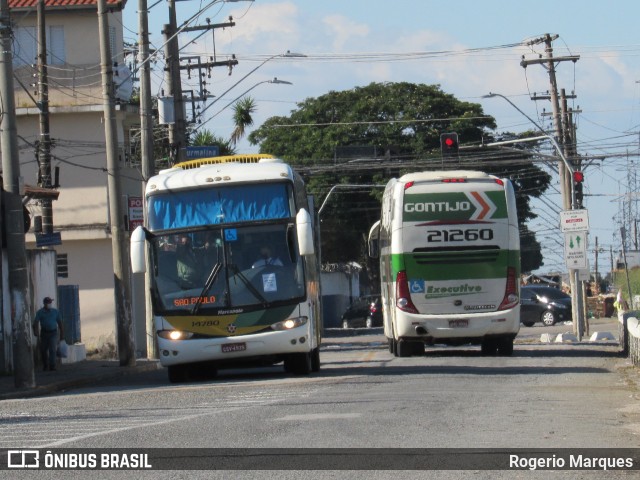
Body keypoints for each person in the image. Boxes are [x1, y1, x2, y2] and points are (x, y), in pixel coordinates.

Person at [33, 297, 64, 371]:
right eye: (48, 303)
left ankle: (52, 365)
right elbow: (36, 322)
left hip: (53, 333)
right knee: (43, 350)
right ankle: (45, 365)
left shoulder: (55, 312)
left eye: (50, 303)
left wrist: (62, 334)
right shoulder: (40, 312)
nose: (50, 304)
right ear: (44, 304)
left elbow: (60, 323)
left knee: (52, 349)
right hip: (44, 333)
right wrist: (36, 331)